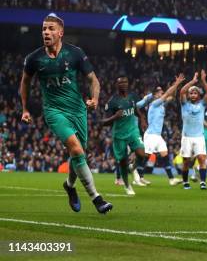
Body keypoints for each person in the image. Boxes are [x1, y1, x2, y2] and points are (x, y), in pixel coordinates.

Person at [20, 13, 112, 214]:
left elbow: (93, 80)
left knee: (79, 153)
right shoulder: (34, 58)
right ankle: (97, 198)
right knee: (76, 150)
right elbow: (25, 82)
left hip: (78, 110)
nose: (46, 32)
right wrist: (25, 108)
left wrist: (95, 99)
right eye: (44, 28)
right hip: (54, 111)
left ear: (60, 32)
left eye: (51, 28)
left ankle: (69, 186)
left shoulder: (75, 53)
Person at [101, 75, 153, 195]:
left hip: (133, 131)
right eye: (120, 83)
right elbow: (103, 122)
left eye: (125, 82)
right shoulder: (112, 101)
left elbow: (135, 109)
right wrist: (115, 117)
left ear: (128, 84)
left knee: (142, 154)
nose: (123, 84)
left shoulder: (133, 96)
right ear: (116, 85)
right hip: (119, 135)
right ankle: (127, 185)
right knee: (123, 162)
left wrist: (142, 119)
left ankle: (133, 167)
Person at [144, 74, 185, 185]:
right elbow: (167, 93)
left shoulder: (161, 105)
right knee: (145, 156)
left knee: (164, 154)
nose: (162, 92)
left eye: (162, 91)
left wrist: (176, 85)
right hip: (151, 135)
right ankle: (137, 173)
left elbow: (171, 96)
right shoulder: (154, 103)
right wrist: (176, 83)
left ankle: (171, 179)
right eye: (160, 91)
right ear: (155, 94)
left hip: (157, 136)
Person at [179, 70, 207, 190]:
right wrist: (192, 81)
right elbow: (182, 91)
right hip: (186, 136)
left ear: (198, 95)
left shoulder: (202, 104)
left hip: (199, 136)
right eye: (191, 93)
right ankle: (185, 182)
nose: (192, 94)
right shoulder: (184, 104)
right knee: (186, 161)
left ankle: (203, 182)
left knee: (202, 158)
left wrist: (203, 81)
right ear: (189, 95)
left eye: (195, 93)